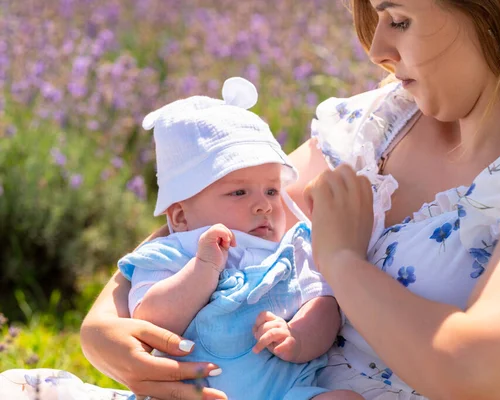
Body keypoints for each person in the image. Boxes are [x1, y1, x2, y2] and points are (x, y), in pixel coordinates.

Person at [74, 0, 500, 399]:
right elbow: (216, 213)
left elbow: (477, 374)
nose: (377, 51)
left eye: (398, 19)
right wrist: (103, 327)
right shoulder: (380, 124)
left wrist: (343, 261)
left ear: (493, 12)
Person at [115, 77, 361, 400]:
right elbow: (150, 322)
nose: (264, 204)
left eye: (272, 190)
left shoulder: (293, 249)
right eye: (239, 191)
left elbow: (324, 306)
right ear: (180, 216)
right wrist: (201, 271)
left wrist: (298, 336)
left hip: (284, 392)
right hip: (195, 392)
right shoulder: (171, 255)